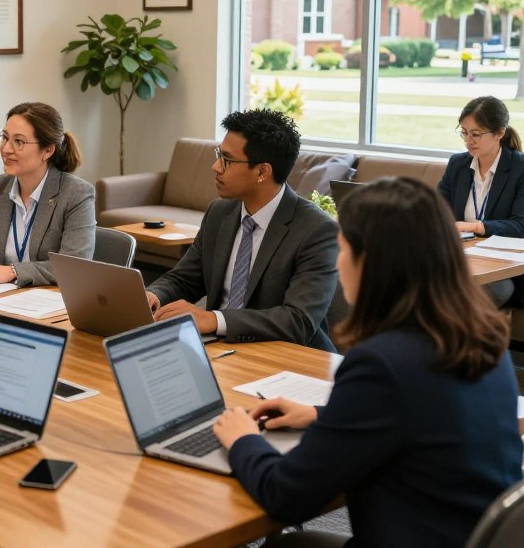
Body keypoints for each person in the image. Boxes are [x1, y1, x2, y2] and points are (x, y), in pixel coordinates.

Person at [213, 177, 523, 548]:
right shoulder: (482, 336)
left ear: (372, 264)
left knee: (287, 543)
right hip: (465, 534)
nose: (339, 266)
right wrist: (322, 415)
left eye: (343, 251)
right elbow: (422, 413)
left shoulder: (381, 363)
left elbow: (286, 495)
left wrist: (243, 440)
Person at [146, 109, 337, 349]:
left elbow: (297, 320)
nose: (216, 167)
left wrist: (215, 319)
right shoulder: (219, 213)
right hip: (220, 347)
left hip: (287, 358)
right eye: (219, 155)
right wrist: (154, 295)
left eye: (227, 160)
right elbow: (185, 279)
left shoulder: (317, 230)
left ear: (262, 172)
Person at [0, 102, 95, 287]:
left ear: (47, 150)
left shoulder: (76, 194)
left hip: (49, 303)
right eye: (4, 138)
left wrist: (11, 272)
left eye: (19, 142)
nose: (6, 149)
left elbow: (74, 266)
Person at [438, 95, 524, 306]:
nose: (469, 141)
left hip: (504, 270)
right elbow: (436, 210)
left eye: (476, 134)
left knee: (466, 291)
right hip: (461, 260)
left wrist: (475, 226)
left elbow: (520, 225)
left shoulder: (519, 168)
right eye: (464, 133)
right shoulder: (458, 164)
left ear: (500, 132)